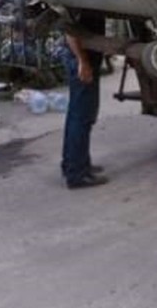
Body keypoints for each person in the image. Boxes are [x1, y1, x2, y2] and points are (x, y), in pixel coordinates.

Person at [60, 14, 109, 189]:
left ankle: (74, 164)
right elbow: (69, 30)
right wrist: (82, 61)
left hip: (83, 60)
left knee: (77, 115)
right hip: (81, 62)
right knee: (81, 118)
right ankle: (77, 174)